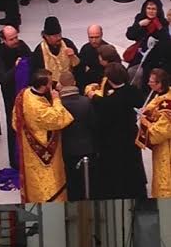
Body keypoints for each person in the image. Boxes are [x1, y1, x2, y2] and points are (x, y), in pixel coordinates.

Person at [12, 69, 73, 203]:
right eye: (50, 83)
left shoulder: (23, 94)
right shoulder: (38, 107)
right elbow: (59, 119)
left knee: (33, 176)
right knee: (47, 180)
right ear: (44, 86)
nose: (53, 85)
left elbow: (15, 121)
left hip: (29, 145)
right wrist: (56, 99)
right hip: (43, 148)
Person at [87, 63, 147, 200]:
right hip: (130, 137)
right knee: (132, 168)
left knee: (116, 172)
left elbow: (102, 111)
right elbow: (137, 102)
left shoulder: (107, 102)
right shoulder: (132, 91)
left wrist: (92, 95)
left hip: (113, 142)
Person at [0, 25, 32, 168]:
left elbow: (31, 59)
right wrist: (17, 67)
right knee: (13, 126)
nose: (15, 41)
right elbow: (3, 79)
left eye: (16, 37)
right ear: (4, 40)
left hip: (26, 93)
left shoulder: (21, 46)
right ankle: (15, 161)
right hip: (11, 96)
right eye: (11, 39)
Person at [59, 71, 97, 201]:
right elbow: (93, 123)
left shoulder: (58, 104)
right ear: (74, 83)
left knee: (70, 177)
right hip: (86, 145)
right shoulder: (86, 102)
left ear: (60, 85)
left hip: (66, 146)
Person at [136, 68, 171, 198]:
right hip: (162, 148)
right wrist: (148, 112)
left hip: (167, 148)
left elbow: (160, 132)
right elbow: (154, 108)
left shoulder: (168, 106)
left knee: (165, 178)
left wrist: (145, 122)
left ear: (160, 84)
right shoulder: (161, 95)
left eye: (152, 81)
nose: (148, 83)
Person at [125, 0, 170, 91]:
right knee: (131, 72)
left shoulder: (162, 22)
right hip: (139, 54)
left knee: (144, 78)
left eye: (154, 9)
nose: (151, 11)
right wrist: (139, 24)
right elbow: (130, 35)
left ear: (158, 10)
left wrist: (158, 26)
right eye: (148, 8)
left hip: (154, 58)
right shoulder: (140, 18)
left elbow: (166, 41)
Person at [31, 16, 79, 87]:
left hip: (69, 82)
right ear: (47, 36)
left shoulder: (68, 44)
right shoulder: (39, 51)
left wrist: (73, 56)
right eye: (55, 36)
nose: (59, 38)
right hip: (50, 86)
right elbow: (38, 74)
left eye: (60, 35)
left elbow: (78, 66)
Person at [77, 24, 108, 91]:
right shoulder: (85, 49)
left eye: (96, 37)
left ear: (101, 35)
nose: (94, 41)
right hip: (87, 85)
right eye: (91, 37)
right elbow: (79, 69)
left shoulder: (108, 49)